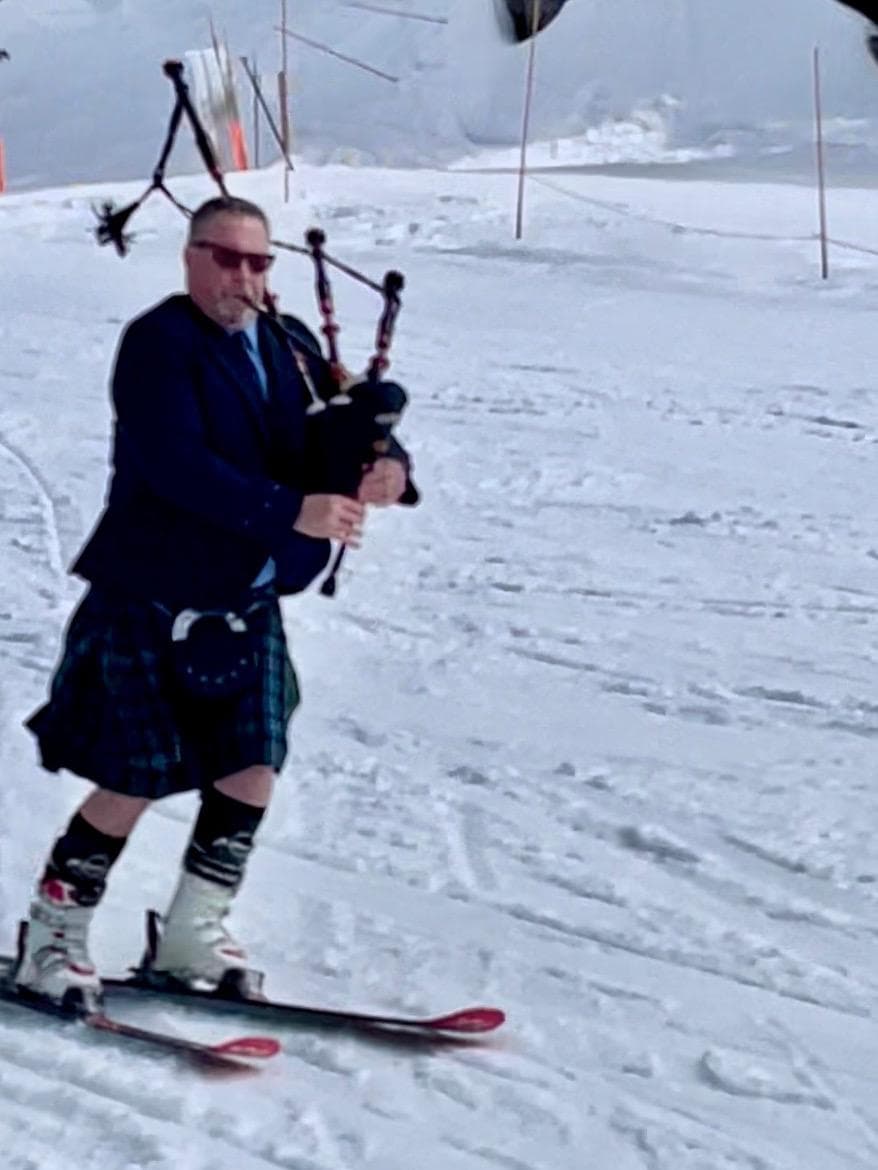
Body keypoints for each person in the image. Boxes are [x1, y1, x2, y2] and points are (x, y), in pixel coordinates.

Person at [13, 195, 414, 1005]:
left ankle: (193, 931)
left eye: (258, 262)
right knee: (134, 775)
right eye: (225, 258)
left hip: (247, 596)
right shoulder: (159, 344)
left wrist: (388, 468)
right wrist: (287, 511)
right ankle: (52, 939)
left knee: (252, 765)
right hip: (152, 590)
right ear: (190, 257)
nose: (242, 277)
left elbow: (342, 425)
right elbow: (173, 463)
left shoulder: (291, 343)